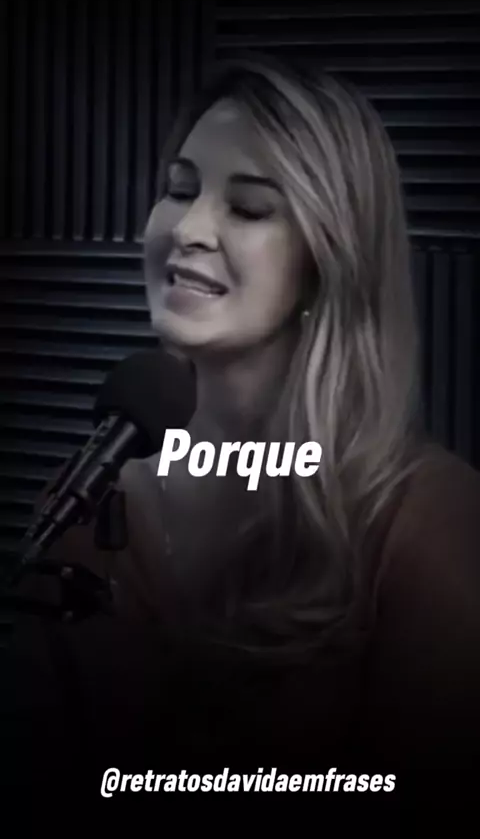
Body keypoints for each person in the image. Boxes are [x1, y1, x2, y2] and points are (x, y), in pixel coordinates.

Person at [4, 52, 480, 800]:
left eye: (250, 208)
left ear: (328, 260)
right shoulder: (82, 506)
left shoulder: (427, 524)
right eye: (178, 189)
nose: (189, 228)